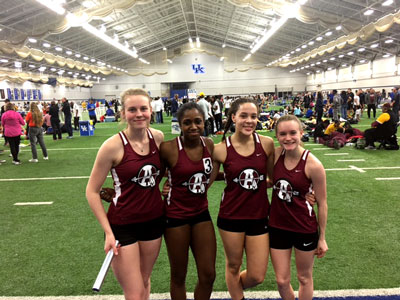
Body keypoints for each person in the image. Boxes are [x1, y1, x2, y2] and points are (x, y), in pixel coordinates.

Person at [86, 88, 165, 300]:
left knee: (144, 280)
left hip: (154, 222)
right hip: (122, 225)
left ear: (151, 110)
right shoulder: (111, 146)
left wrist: (168, 187)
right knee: (134, 292)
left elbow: (165, 174)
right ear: (123, 113)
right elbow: (92, 191)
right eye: (132, 109)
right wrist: (108, 232)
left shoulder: (158, 138)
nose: (139, 114)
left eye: (143, 108)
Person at [211, 98, 274, 300]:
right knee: (233, 265)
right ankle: (237, 296)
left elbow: (273, 179)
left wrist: (308, 191)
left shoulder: (266, 144)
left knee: (257, 275)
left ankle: (234, 287)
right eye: (244, 116)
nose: (249, 121)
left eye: (253, 116)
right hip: (231, 217)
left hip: (259, 215)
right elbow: (206, 180)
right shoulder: (219, 149)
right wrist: (170, 186)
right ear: (233, 117)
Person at [160, 102, 216, 300]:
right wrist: (163, 190)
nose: (193, 127)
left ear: (204, 122)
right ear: (180, 125)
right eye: (187, 123)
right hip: (176, 217)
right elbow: (150, 179)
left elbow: (209, 172)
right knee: (178, 275)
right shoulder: (168, 148)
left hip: (201, 213)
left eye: (198, 122)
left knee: (208, 275)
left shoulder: (208, 144)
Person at [269, 114, 328, 300]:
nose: (288, 138)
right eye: (283, 134)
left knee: (304, 277)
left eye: (293, 133)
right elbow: (267, 180)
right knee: (281, 280)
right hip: (277, 227)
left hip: (304, 228)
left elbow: (323, 202)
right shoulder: (276, 155)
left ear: (301, 133)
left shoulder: (314, 165)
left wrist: (322, 238)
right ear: (277, 136)